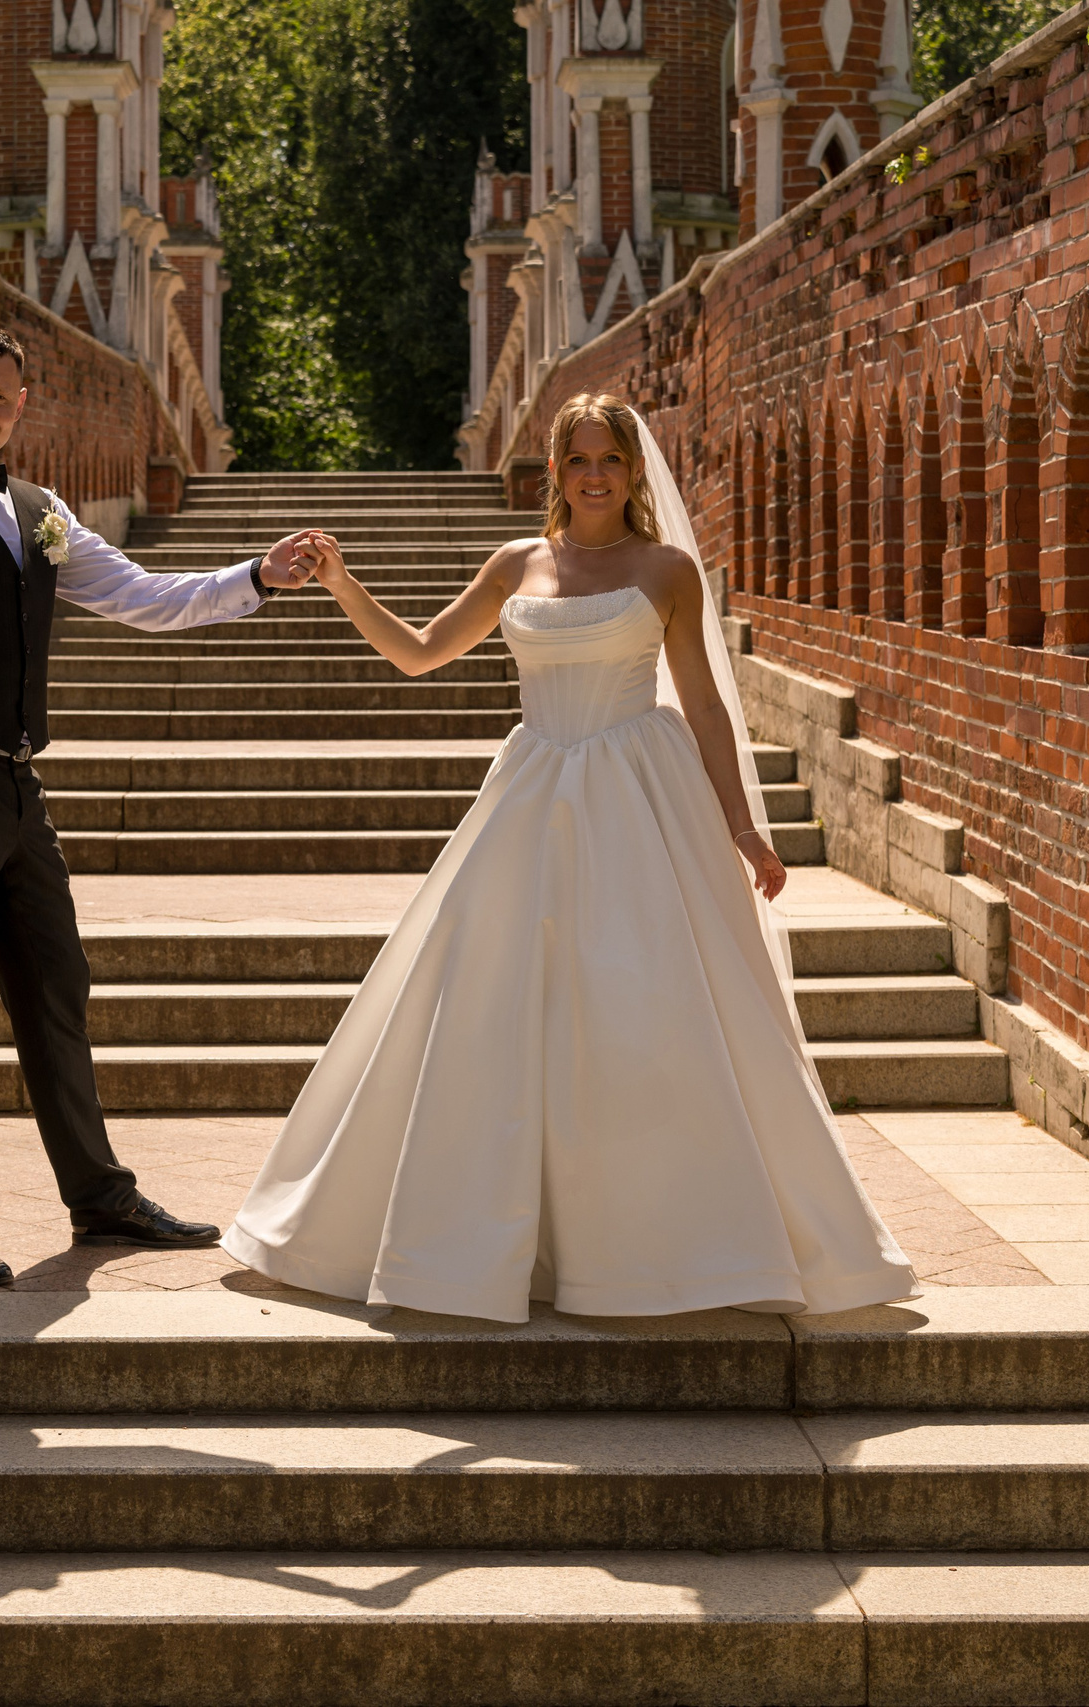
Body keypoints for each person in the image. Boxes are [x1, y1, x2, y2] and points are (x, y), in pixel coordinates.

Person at [222, 394, 917, 1323]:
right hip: (532, 796)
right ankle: (489, 1241)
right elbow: (423, 653)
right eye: (579, 459)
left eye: (612, 460)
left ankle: (672, 1245)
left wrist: (744, 826)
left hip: (641, 797)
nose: (596, 475)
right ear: (555, 470)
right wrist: (346, 584)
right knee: (487, 1005)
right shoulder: (516, 564)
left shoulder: (668, 571)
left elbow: (706, 706)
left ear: (633, 471)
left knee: (645, 1010)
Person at [0, 323, 323, 1287]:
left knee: (58, 986)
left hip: (14, 783)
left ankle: (97, 1195)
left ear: (22, 406)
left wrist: (256, 579)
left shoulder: (39, 510)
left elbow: (143, 595)